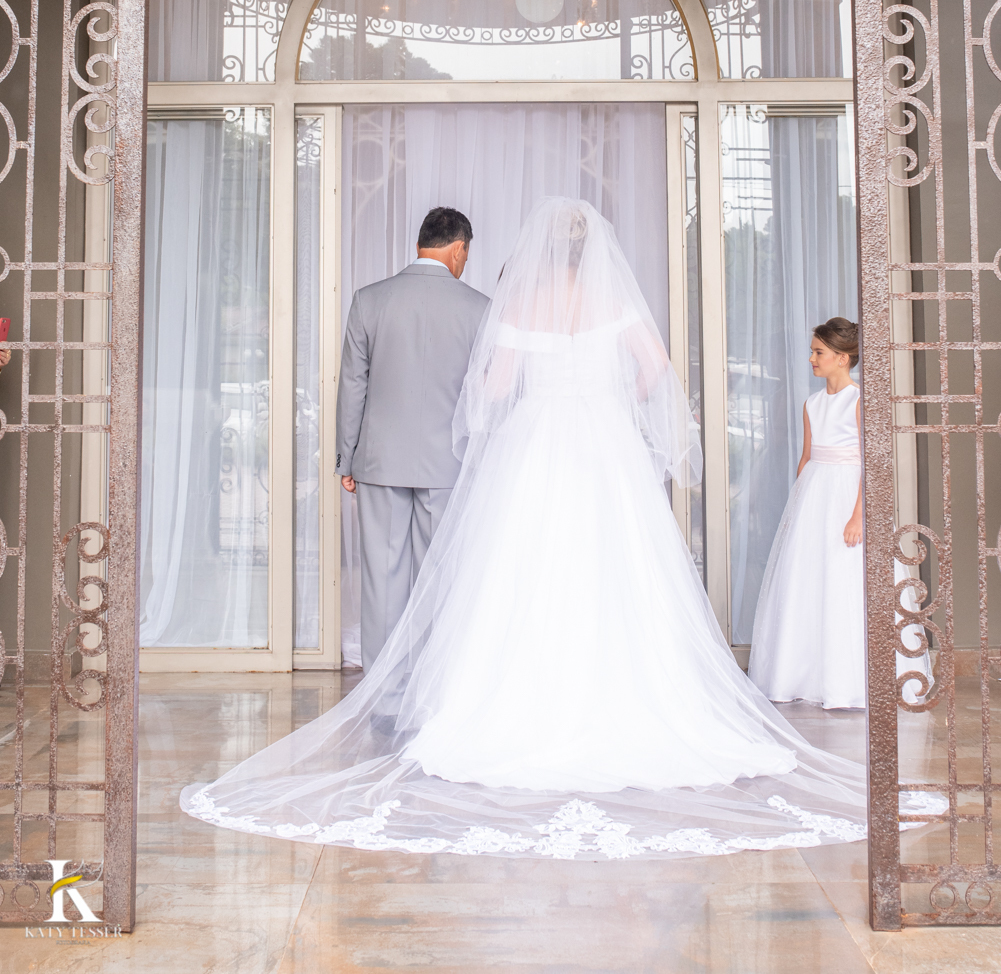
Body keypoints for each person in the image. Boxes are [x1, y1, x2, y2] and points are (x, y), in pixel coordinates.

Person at [182, 200, 868, 860]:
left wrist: (518, 406)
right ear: (592, 252)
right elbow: (656, 371)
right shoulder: (614, 303)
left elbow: (491, 388)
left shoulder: (519, 306)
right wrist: (608, 401)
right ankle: (624, 698)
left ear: (540, 252)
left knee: (526, 570)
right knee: (614, 571)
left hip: (536, 441)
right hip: (603, 445)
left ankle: (506, 703)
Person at [749, 318, 933, 710]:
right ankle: (804, 674)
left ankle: (851, 680)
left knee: (846, 582)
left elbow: (872, 462)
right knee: (809, 582)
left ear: (843, 358)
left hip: (847, 494)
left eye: (819, 352)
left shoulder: (859, 400)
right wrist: (796, 509)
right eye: (813, 351)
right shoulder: (812, 403)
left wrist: (858, 517)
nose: (812, 359)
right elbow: (806, 458)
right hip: (814, 494)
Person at [335, 206, 489, 672]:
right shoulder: (480, 308)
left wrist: (347, 459)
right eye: (466, 255)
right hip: (449, 465)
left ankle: (380, 692)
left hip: (380, 461)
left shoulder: (369, 300)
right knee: (439, 576)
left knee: (382, 578)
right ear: (458, 249)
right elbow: (483, 394)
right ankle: (432, 684)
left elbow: (352, 385)